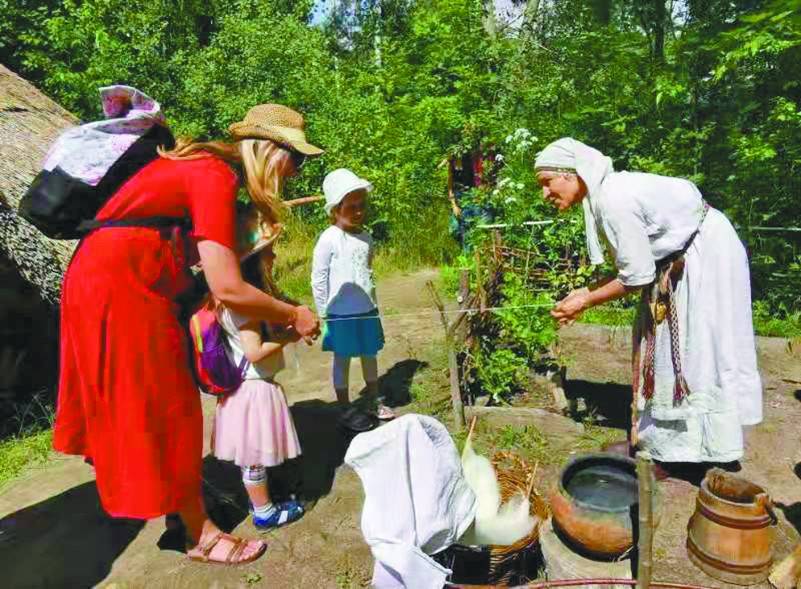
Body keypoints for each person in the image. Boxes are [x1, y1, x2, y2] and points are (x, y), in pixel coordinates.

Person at [53, 103, 321, 565]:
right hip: (122, 286)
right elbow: (228, 286)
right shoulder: (215, 174)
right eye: (295, 159)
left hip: (118, 279)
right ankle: (200, 535)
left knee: (163, 403)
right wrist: (293, 312)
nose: (295, 172)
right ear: (268, 150)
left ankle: (183, 512)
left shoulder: (203, 167)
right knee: (169, 407)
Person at [534, 137, 762, 472]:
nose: (545, 194)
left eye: (546, 183)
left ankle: (682, 454)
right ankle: (668, 445)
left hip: (706, 260)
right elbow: (634, 265)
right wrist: (585, 290)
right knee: (681, 352)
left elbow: (636, 277)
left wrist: (585, 299)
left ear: (571, 174)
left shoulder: (613, 199)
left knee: (696, 353)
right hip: (689, 256)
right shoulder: (606, 194)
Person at [211, 212, 304, 530]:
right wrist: (289, 337)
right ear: (254, 262)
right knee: (254, 456)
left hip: (249, 386)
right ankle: (263, 510)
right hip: (254, 388)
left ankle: (264, 499)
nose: (275, 256)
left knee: (255, 454)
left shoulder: (232, 302)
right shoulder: (245, 306)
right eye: (269, 252)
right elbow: (253, 350)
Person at [311, 168, 395, 421]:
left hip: (367, 310)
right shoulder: (329, 239)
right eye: (351, 207)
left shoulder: (366, 238)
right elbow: (319, 278)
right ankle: (344, 405)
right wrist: (324, 311)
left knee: (370, 355)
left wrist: (375, 306)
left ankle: (373, 399)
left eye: (362, 205)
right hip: (340, 315)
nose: (358, 212)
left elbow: (367, 273)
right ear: (335, 209)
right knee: (343, 358)